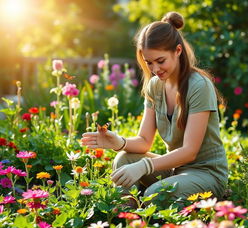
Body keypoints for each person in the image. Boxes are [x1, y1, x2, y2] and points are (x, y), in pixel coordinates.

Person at [81, 11, 228, 202]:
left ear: (177, 51)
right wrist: (119, 142)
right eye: (149, 63)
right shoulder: (155, 85)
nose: (155, 69)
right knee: (123, 159)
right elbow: (144, 140)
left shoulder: (199, 86)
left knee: (154, 194)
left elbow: (190, 151)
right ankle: (128, 218)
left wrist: (145, 166)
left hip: (207, 175)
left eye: (160, 61)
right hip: (177, 170)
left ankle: (149, 217)